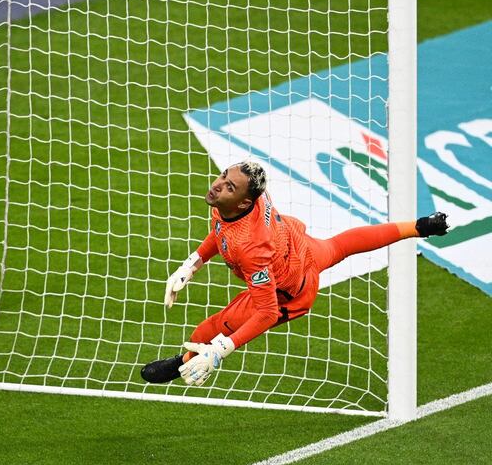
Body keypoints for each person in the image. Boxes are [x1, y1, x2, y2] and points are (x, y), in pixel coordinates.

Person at [141, 161, 449, 386]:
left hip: (289, 291)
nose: (218, 185)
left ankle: (179, 364)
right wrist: (193, 263)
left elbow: (266, 312)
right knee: (339, 246)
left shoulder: (251, 249)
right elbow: (220, 231)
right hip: (300, 248)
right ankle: (419, 227)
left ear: (245, 201)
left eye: (229, 186)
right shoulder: (236, 202)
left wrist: (222, 350)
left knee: (206, 333)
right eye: (224, 176)